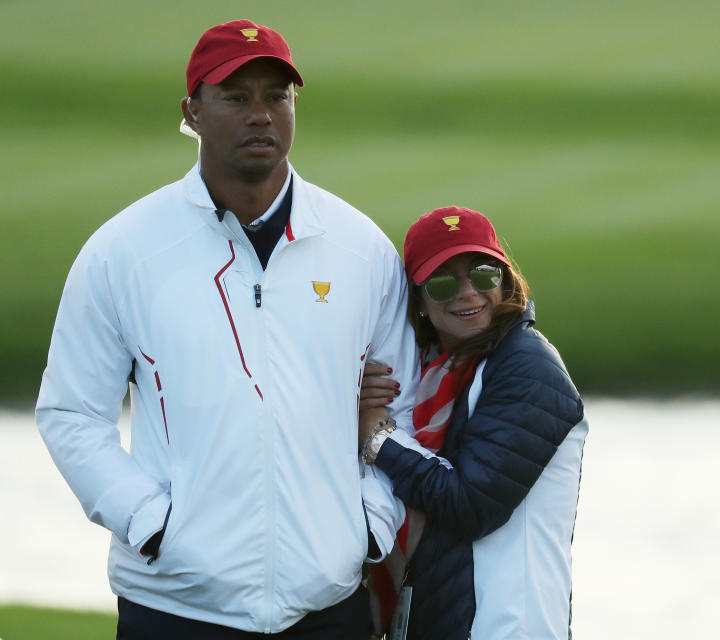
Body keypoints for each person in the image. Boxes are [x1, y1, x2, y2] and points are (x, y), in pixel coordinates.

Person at [35, 19, 418, 639]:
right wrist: (151, 525)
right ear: (192, 110)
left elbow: (408, 402)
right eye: (236, 97)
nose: (261, 114)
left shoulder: (360, 249)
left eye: (277, 95)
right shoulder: (124, 251)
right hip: (174, 608)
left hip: (326, 607)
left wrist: (368, 525)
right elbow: (71, 413)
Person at [357, 206, 588, 640]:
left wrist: (376, 436)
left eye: (483, 274)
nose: (468, 293)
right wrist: (358, 391)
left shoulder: (528, 369)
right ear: (419, 302)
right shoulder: (433, 376)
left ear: (505, 280)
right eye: (443, 283)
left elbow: (469, 505)